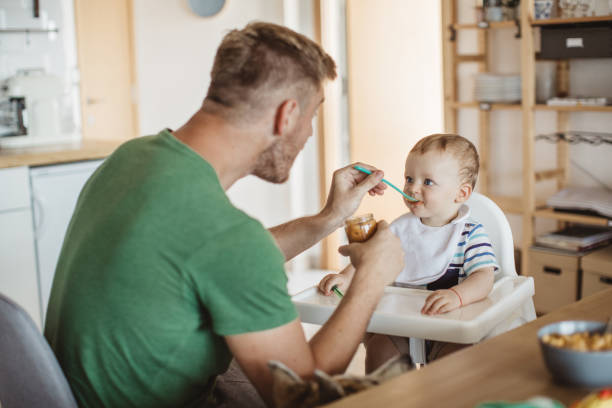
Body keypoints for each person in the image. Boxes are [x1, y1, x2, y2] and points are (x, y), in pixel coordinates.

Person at [44, 22, 405, 408]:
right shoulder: (229, 240)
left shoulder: (131, 157)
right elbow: (303, 393)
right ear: (287, 115)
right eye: (312, 116)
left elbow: (214, 260)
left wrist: (330, 218)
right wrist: (370, 278)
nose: (310, 133)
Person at [318, 134, 499, 372]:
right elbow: (371, 259)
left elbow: (484, 277)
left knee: (457, 360)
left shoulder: (470, 234)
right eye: (409, 178)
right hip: (400, 324)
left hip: (448, 326)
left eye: (428, 182)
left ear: (461, 194)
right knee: (380, 350)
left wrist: (457, 296)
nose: (412, 188)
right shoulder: (400, 228)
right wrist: (345, 276)